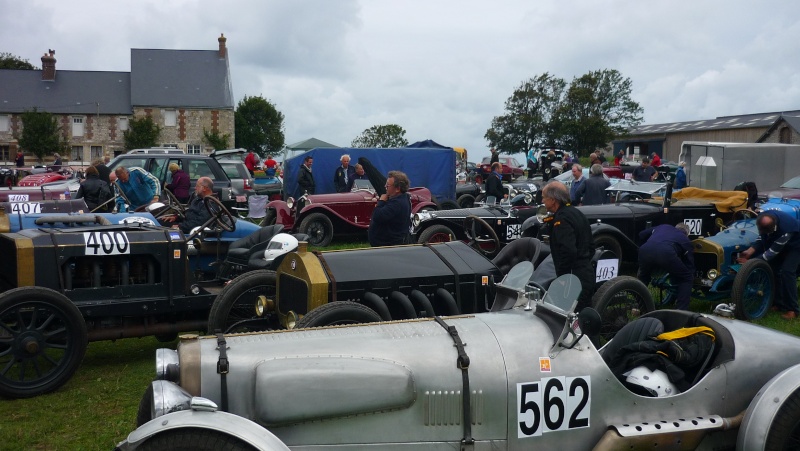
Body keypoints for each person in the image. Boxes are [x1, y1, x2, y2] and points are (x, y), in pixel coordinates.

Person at [540, 181, 595, 310]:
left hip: (573, 280)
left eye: (544, 197)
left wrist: (563, 277)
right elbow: (591, 246)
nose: (542, 201)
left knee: (571, 319)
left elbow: (568, 251)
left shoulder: (562, 219)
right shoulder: (577, 213)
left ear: (553, 200)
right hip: (586, 273)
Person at [737, 211, 800, 319]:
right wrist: (750, 251)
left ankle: (793, 309)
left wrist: (751, 263)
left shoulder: (786, 229)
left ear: (773, 227)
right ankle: (778, 303)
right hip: (780, 242)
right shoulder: (763, 219)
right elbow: (762, 237)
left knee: (787, 271)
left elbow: (772, 252)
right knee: (773, 269)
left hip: (796, 244)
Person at [637, 223, 695, 310]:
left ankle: (639, 305)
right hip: (665, 252)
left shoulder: (663, 226)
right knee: (686, 278)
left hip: (644, 250)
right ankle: (681, 310)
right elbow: (689, 265)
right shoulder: (685, 240)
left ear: (675, 227)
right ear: (687, 234)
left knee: (644, 277)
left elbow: (641, 234)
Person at [368, 171, 412, 247]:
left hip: (389, 245)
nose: (385, 187)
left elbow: (377, 216)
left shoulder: (396, 204)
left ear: (397, 189)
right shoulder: (402, 198)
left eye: (388, 185)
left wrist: (381, 202)